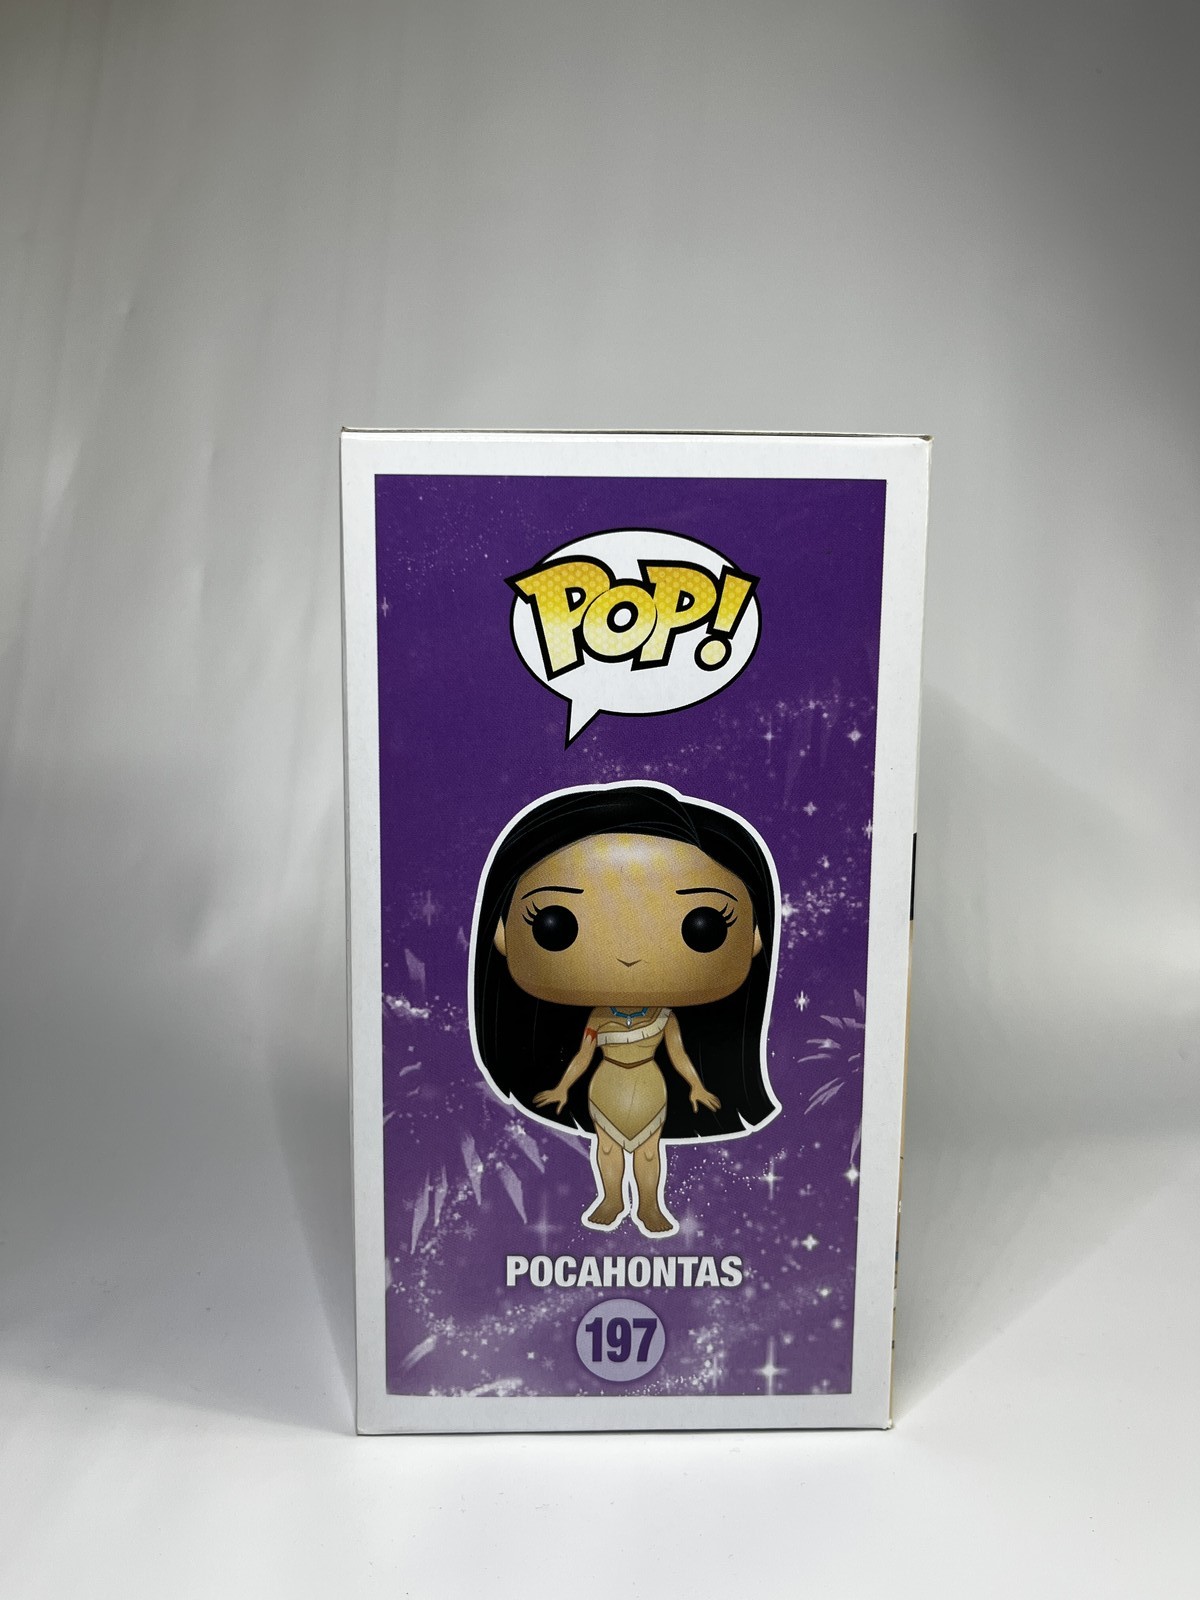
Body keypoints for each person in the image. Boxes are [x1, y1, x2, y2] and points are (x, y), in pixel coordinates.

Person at [471, 783, 778, 1236]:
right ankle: (612, 1199)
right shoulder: (598, 1018)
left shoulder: (664, 1018)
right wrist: (562, 1088)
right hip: (606, 1084)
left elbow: (678, 1054)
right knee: (608, 1149)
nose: (629, 956)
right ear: (501, 932)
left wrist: (696, 1085)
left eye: (704, 926)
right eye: (556, 923)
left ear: (754, 938)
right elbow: (583, 1055)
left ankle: (649, 1205)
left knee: (649, 1150)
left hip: (650, 1085)